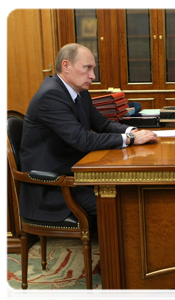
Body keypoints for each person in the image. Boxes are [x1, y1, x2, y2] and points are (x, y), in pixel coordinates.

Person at [19, 43, 158, 224]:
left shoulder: (79, 92)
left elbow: (102, 124)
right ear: (66, 66)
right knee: (119, 205)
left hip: (76, 171)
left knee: (129, 193)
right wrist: (131, 140)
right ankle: (119, 251)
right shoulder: (51, 95)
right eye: (87, 68)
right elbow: (82, 139)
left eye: (93, 69)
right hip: (55, 186)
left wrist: (133, 131)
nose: (93, 76)